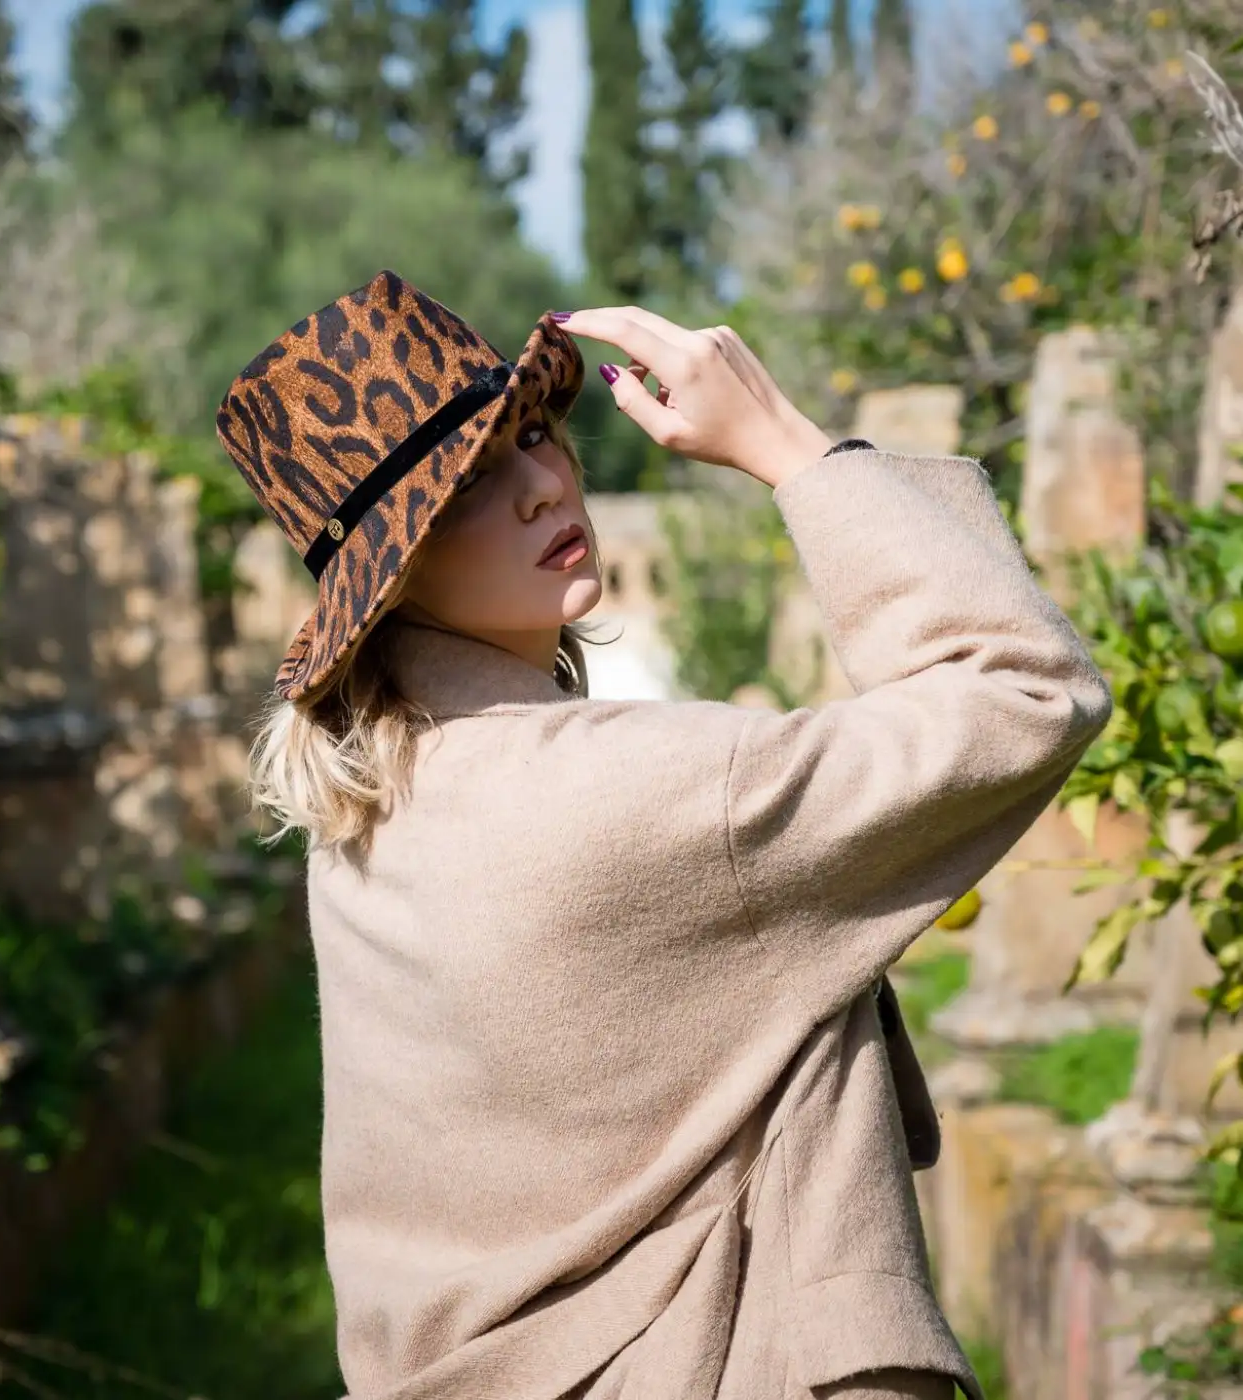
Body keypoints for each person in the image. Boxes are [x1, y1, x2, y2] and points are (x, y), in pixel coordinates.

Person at [214, 270, 1113, 1400]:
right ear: (390, 576)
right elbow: (1026, 689)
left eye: (535, 434)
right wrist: (792, 449)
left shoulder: (369, 801)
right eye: (471, 487)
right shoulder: (645, 795)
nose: (544, 484)